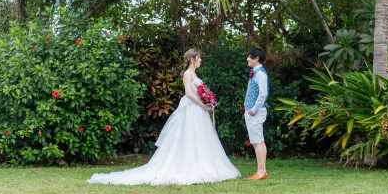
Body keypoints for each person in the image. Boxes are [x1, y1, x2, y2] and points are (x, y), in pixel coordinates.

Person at [88, 48, 240, 185]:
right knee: (189, 136)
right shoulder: (188, 74)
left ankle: (204, 163)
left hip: (198, 109)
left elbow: (199, 91)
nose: (201, 61)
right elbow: (188, 92)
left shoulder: (195, 74)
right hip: (191, 109)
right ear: (193, 59)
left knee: (200, 137)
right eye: (199, 58)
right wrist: (202, 104)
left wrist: (208, 101)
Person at [244, 47, 269, 180]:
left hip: (256, 113)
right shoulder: (255, 72)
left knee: (258, 141)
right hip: (252, 112)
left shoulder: (260, 74)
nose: (247, 58)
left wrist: (253, 110)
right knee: (256, 141)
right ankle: (261, 171)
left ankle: (261, 172)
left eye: (250, 56)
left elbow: (263, 94)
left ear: (257, 58)